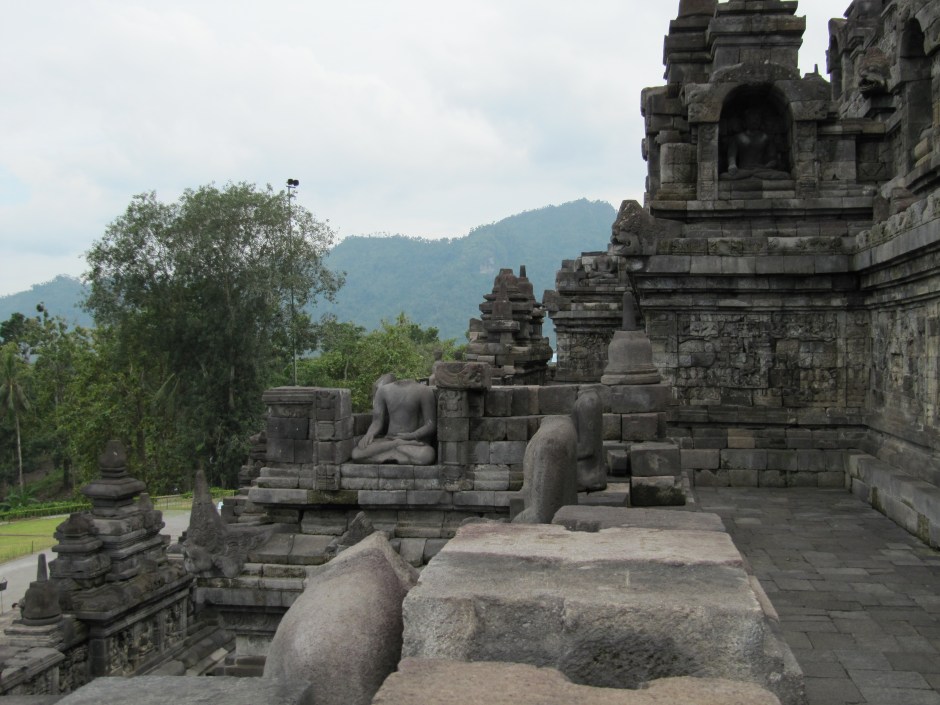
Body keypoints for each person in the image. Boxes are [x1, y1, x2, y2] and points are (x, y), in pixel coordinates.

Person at [351, 374, 437, 465]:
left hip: (411, 442)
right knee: (356, 453)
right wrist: (369, 434)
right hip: (389, 440)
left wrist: (411, 436)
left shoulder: (424, 390)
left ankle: (393, 449)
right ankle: (396, 445)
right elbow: (377, 422)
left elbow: (430, 425)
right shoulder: (382, 391)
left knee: (427, 455)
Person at [725, 108, 788, 180]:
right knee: (724, 176)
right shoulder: (737, 138)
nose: (755, 121)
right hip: (743, 170)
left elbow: (772, 158)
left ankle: (753, 176)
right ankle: (752, 176)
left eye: (757, 119)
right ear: (745, 121)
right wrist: (732, 165)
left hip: (761, 170)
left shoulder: (766, 137)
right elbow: (731, 156)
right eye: (752, 118)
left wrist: (767, 166)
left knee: (784, 175)